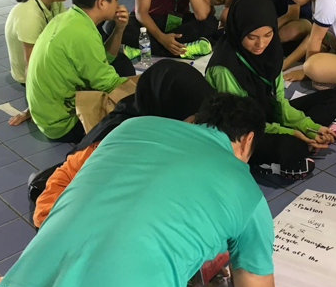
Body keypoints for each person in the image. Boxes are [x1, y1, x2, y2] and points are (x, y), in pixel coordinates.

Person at [0, 93, 275, 287]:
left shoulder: (129, 129)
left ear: (194, 121)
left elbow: (125, 220)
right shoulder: (245, 190)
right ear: (248, 140)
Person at [34, 61, 215, 227]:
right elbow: (54, 197)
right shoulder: (110, 142)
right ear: (169, 111)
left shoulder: (171, 128)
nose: (198, 129)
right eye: (193, 121)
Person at [207, 0, 336, 179]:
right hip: (239, 129)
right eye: (252, 37)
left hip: (264, 113)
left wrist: (310, 127)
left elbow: (279, 101)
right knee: (290, 146)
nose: (261, 44)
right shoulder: (224, 67)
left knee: (333, 98)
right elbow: (243, 122)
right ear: (238, 30)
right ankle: (283, 153)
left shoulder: (271, 51)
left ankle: (306, 142)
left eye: (268, 34)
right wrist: (292, 133)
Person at [25, 0, 134, 143]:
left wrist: (119, 29)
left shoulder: (68, 18)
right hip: (63, 125)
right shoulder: (82, 34)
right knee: (134, 110)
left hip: (46, 115)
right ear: (101, 3)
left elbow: (107, 59)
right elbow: (110, 83)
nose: (118, 5)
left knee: (121, 62)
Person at [4, 0, 73, 127]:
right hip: (31, 73)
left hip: (48, 57)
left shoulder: (54, 2)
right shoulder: (29, 15)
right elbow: (31, 65)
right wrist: (33, 107)